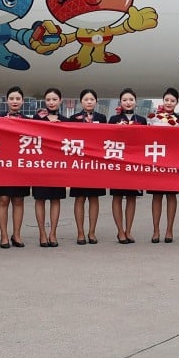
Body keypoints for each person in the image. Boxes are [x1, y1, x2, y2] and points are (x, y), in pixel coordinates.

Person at [0, 86, 30, 249]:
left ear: (22, 101)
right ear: (7, 100)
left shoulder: (28, 120)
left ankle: (17, 235)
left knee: (18, 200)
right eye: (12, 98)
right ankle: (4, 236)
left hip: (21, 165)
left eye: (18, 99)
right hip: (2, 164)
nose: (15, 101)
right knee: (3, 199)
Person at [68, 89, 106, 245]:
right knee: (80, 198)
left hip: (96, 164)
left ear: (96, 102)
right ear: (81, 102)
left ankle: (92, 232)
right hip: (79, 164)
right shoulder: (73, 118)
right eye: (86, 99)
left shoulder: (102, 118)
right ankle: (80, 233)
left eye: (92, 99)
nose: (89, 102)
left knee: (94, 198)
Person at [109, 87, 147, 243]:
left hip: (134, 164)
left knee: (132, 197)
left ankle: (128, 230)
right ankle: (120, 231)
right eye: (124, 100)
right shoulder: (113, 119)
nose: (128, 102)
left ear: (135, 102)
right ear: (120, 102)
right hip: (118, 163)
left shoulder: (142, 120)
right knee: (117, 196)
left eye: (131, 99)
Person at [32, 87, 67, 247]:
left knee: (55, 199)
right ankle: (42, 233)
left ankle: (53, 233)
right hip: (40, 165)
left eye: (54, 99)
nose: (51, 102)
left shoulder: (66, 121)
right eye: (48, 100)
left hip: (58, 166)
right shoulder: (36, 118)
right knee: (40, 199)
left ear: (60, 101)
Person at [148, 87, 179, 243]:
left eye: (172, 101)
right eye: (167, 100)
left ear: (177, 103)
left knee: (171, 195)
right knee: (156, 196)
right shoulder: (153, 118)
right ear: (163, 101)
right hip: (156, 160)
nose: (169, 103)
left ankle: (169, 230)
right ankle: (156, 230)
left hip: (172, 161)